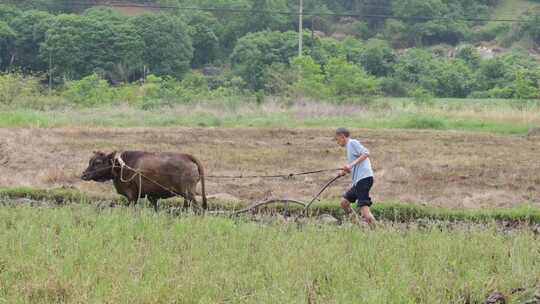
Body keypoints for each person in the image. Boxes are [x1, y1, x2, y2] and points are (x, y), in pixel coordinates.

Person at [335, 127, 377, 227]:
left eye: (337, 139)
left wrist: (350, 165)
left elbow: (366, 153)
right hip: (359, 181)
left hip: (364, 179)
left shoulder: (352, 143)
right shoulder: (349, 148)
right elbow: (355, 166)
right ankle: (359, 226)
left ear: (342, 136)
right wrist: (344, 172)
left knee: (364, 210)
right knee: (344, 203)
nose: (337, 142)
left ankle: (378, 232)